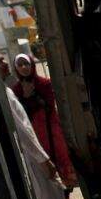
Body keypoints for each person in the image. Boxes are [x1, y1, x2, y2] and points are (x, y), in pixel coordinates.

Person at [0, 50, 69, 199]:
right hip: (32, 156)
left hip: (43, 140)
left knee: (53, 197)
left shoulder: (9, 90)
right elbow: (22, 131)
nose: (4, 62)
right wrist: (43, 159)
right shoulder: (10, 92)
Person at [11, 53, 76, 186]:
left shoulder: (44, 83)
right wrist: (25, 97)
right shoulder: (16, 89)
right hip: (33, 130)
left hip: (49, 126)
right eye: (20, 65)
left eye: (26, 63)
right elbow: (19, 112)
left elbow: (50, 105)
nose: (24, 67)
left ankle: (67, 189)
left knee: (59, 153)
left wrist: (32, 96)